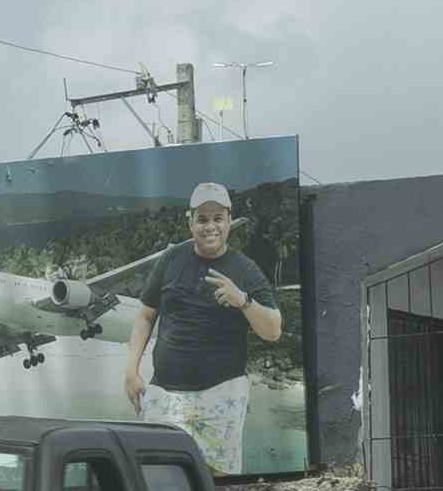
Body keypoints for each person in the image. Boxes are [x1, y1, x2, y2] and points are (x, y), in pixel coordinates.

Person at [90, 180, 292, 471]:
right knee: (155, 475)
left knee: (218, 482)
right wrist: (131, 371)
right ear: (191, 223)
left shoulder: (245, 269)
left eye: (218, 219)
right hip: (165, 394)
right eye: (203, 219)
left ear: (229, 220)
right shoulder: (171, 259)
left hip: (222, 396)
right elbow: (146, 315)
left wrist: (243, 301)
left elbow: (273, 331)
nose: (211, 227)